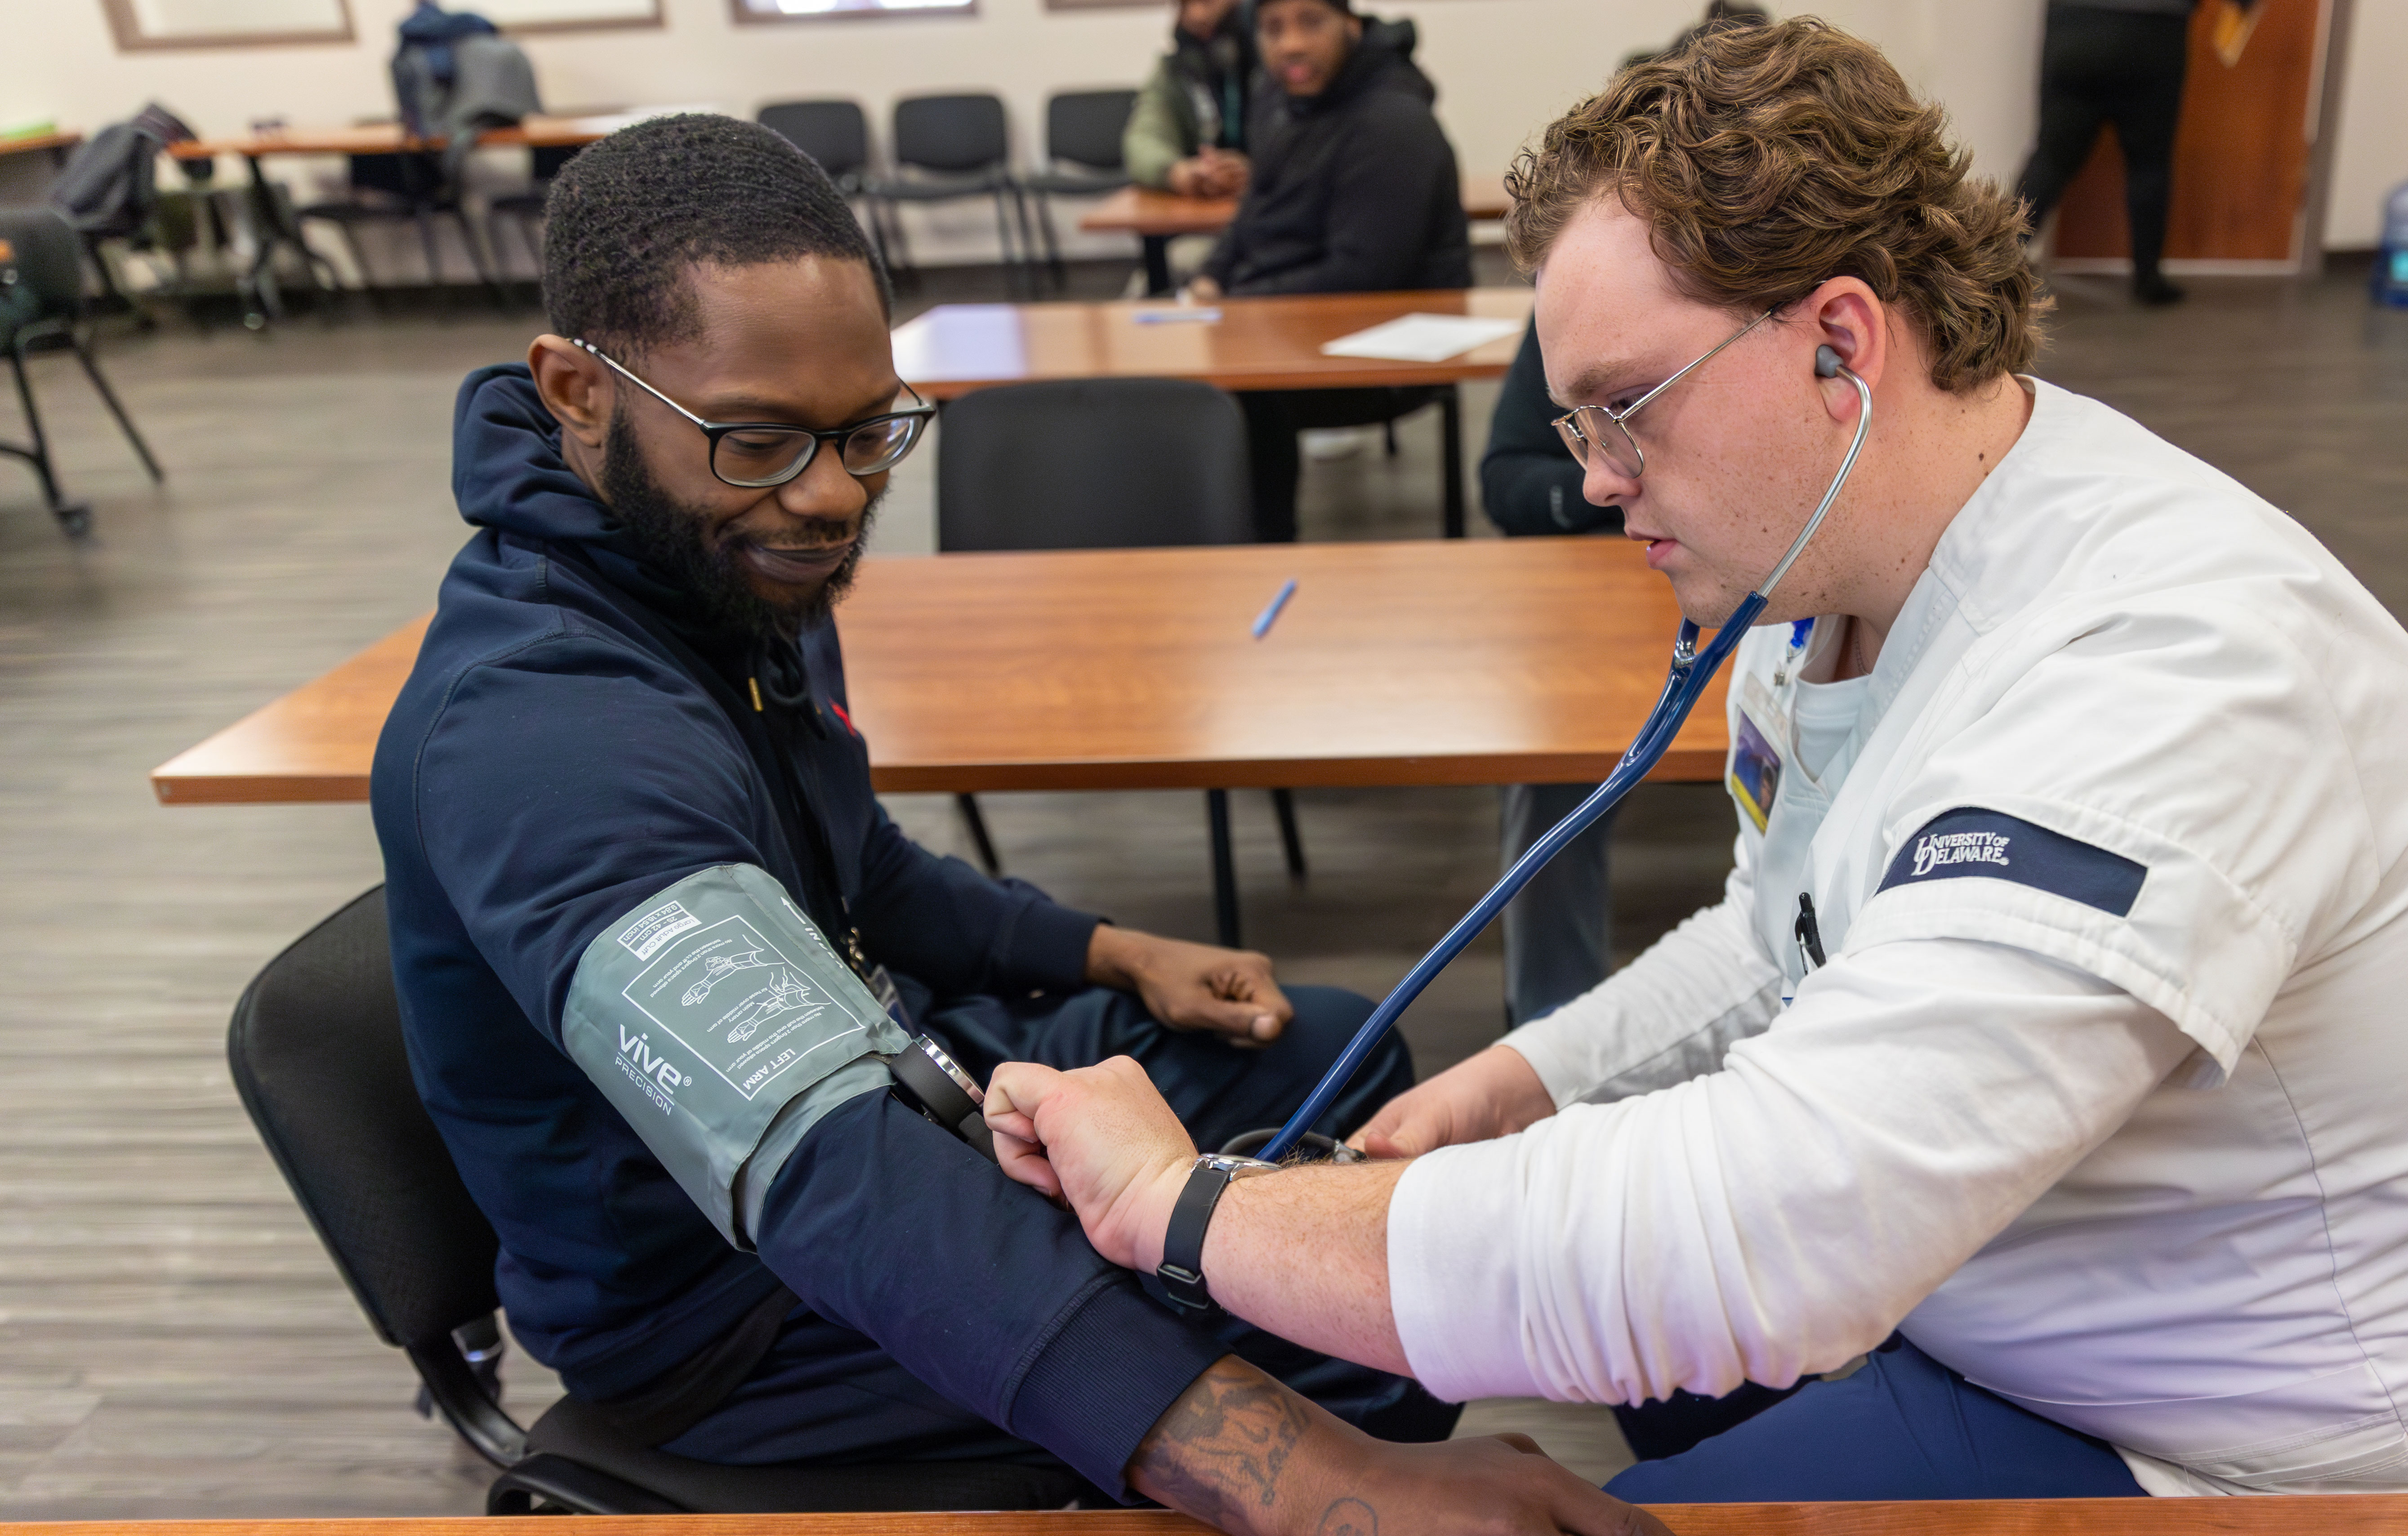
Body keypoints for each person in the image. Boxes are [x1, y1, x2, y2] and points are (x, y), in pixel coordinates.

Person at [982, 20, 2408, 1534]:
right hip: (2017, 1306)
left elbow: (1767, 1237)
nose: (1600, 483)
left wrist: (1182, 1209)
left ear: (1840, 339)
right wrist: (1531, 1076)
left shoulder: (2166, 671)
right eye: (1573, 428)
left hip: (2292, 1457)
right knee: (1640, 1382)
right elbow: (1788, 925)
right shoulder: (1825, 566)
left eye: (1625, 410)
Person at [370, 113, 1653, 1536]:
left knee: (1330, 1052)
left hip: (909, 1078)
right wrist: (1335, 1486)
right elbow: (832, 1174)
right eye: (761, 441)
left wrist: (1107, 949)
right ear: (577, 391)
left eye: (868, 432)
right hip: (728, 1305)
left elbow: (854, 870)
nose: (832, 495)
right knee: (1359, 1335)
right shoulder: (546, 735)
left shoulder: (722, 572)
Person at [1183, 0, 1472, 541]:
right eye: (1273, 28)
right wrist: (1209, 279)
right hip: (1283, 317)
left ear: (1351, 27)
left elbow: (1362, 271)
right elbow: (1252, 212)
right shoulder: (1277, 100)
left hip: (1380, 348)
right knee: (1176, 376)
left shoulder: (1393, 122)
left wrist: (1236, 310)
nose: (1290, 43)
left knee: (1231, 391)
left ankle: (1262, 549)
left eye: (1310, 22)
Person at [1480, 318, 1623, 1027]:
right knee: (1551, 752)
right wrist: (1604, 488)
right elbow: (1503, 478)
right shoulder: (1579, 310)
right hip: (1605, 592)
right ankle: (1549, 1020)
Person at [2014, 0, 2247, 307]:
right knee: (2150, 164)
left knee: (2051, 158)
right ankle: (2148, 280)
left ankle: (1990, 265)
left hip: (2075, 24)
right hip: (2155, 32)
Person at [1124, 0, 1255, 200]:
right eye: (1186, 4)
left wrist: (1255, 169)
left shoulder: (1270, 66)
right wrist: (1178, 173)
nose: (1197, 15)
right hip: (1200, 202)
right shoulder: (1172, 71)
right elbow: (1144, 140)